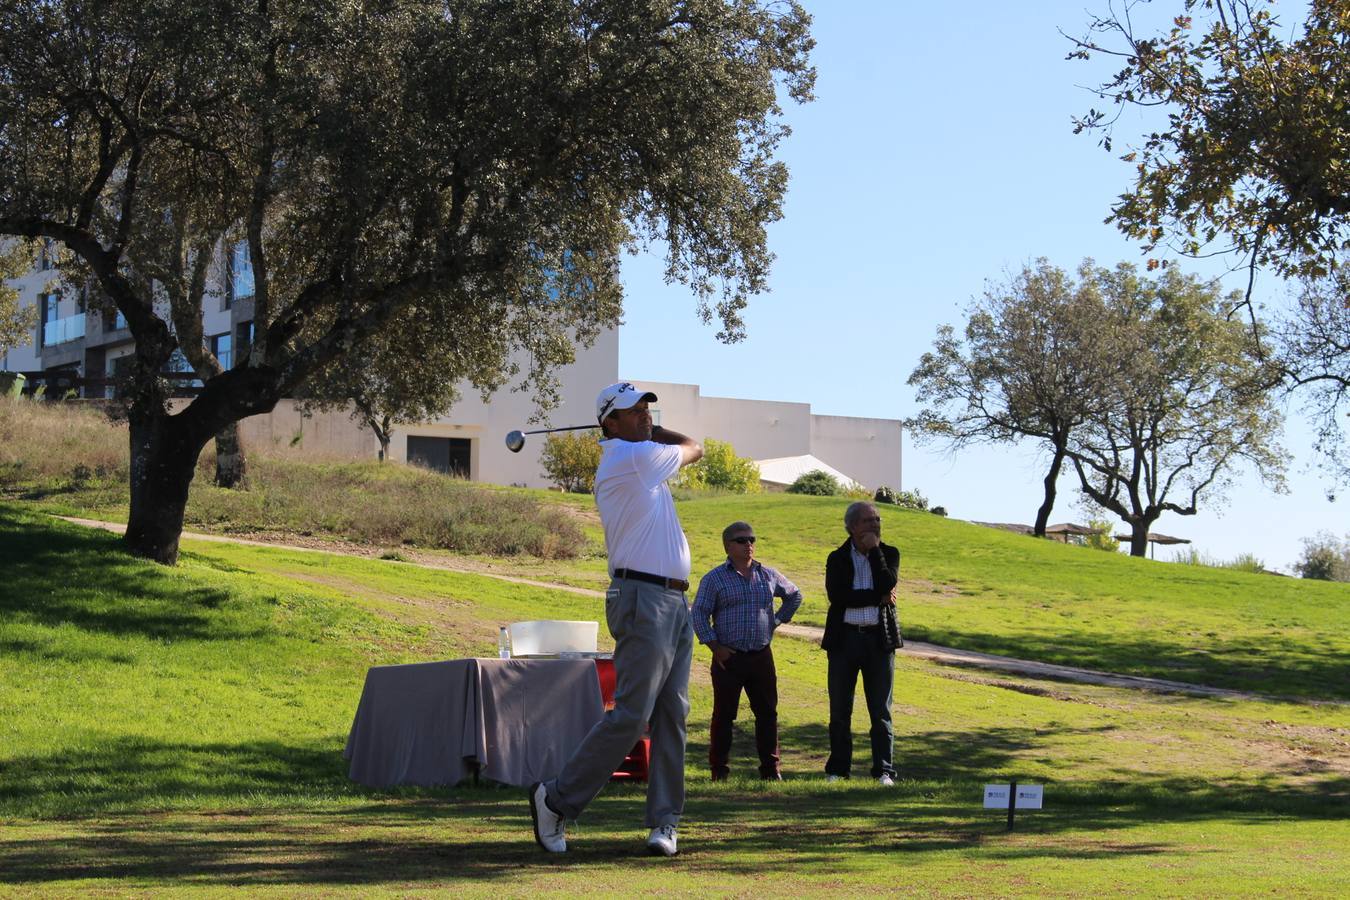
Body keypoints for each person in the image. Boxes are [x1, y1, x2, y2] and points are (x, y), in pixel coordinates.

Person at [529, 381, 702, 857]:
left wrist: (649, 429)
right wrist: (660, 431)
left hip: (671, 602)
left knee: (672, 714)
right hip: (643, 598)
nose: (646, 414)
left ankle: (664, 823)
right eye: (635, 410)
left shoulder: (637, 457)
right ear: (611, 423)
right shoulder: (631, 459)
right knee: (631, 716)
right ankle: (555, 799)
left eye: (649, 407)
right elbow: (696, 448)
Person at [692, 521, 803, 781]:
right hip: (728, 658)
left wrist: (776, 621)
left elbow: (795, 595)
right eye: (741, 540)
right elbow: (698, 614)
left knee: (767, 714)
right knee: (724, 715)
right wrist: (715, 647)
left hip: (761, 656)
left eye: (752, 539)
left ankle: (771, 770)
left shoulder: (768, 575)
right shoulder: (714, 578)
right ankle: (719, 771)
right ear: (728, 546)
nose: (749, 545)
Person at [821, 501, 901, 785]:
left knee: (881, 710)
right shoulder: (837, 557)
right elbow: (838, 597)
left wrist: (876, 551)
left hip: (879, 641)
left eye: (877, 520)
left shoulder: (889, 553)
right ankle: (838, 769)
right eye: (869, 521)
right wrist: (875, 597)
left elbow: (886, 584)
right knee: (840, 710)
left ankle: (884, 770)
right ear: (853, 526)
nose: (875, 525)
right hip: (845, 640)